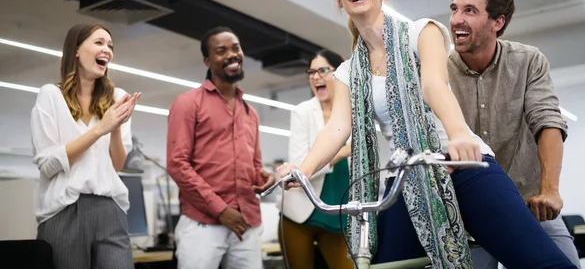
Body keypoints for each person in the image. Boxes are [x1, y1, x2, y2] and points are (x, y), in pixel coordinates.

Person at [276, 0, 576, 269]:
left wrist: (459, 132)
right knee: (386, 265)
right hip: (408, 179)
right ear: (339, 0)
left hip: (461, 164)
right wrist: (303, 169)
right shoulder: (348, 72)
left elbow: (434, 86)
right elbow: (337, 128)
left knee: (542, 263)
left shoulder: (420, 32)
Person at [447, 0, 580, 268]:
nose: (456, 19)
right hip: (468, 219)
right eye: (454, 8)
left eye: (470, 10)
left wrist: (550, 190)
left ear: (498, 22)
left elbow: (547, 122)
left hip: (528, 206)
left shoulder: (528, 61)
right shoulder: (438, 72)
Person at [31, 24, 141, 269]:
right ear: (77, 50)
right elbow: (49, 165)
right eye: (99, 43)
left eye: (110, 46)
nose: (107, 50)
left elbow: (117, 165)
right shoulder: (50, 95)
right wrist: (101, 129)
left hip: (110, 208)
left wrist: (114, 129)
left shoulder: (116, 98)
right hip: (64, 211)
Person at [166, 26, 275, 269]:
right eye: (221, 51)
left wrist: (263, 176)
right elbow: (177, 165)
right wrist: (221, 209)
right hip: (202, 224)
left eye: (236, 48)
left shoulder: (251, 113)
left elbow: (254, 164)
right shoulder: (188, 104)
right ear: (207, 60)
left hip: (246, 223)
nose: (231, 55)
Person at [278, 49, 353, 269]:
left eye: (322, 70)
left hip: (337, 214)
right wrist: (343, 151)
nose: (315, 77)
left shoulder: (353, 112)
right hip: (300, 215)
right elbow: (300, 167)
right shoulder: (303, 112)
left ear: (339, 74)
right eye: (311, 72)